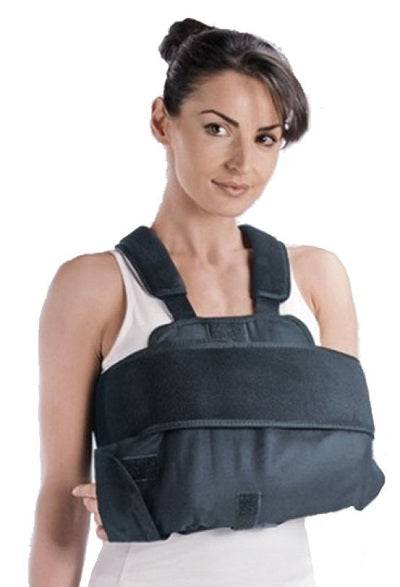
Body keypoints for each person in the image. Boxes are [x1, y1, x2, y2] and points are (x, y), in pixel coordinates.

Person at [29, 18, 359, 586]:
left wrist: (162, 490)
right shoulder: (95, 286)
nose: (243, 163)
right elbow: (62, 499)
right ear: (163, 120)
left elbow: (336, 462)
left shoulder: (316, 279)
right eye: (216, 128)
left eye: (266, 138)